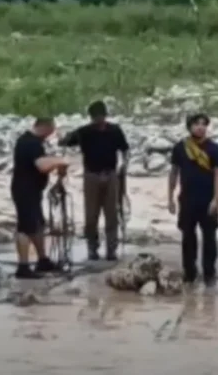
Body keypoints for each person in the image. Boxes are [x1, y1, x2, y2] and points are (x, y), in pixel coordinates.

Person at [59, 101, 130, 261]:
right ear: (91, 118)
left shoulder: (115, 130)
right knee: (91, 215)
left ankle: (111, 249)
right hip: (91, 175)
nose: (98, 121)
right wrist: (64, 137)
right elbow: (64, 142)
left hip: (111, 174)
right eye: (95, 118)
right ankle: (92, 248)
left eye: (100, 117)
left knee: (112, 213)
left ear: (105, 116)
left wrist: (124, 166)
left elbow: (125, 149)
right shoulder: (84, 132)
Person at [167, 113, 218, 286]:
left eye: (203, 124)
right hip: (187, 199)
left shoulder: (213, 148)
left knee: (209, 238)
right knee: (188, 238)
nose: (200, 127)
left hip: (207, 199)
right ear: (189, 126)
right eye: (196, 124)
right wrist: (170, 197)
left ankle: (209, 272)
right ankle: (189, 272)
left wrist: (216, 199)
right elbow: (174, 173)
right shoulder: (180, 148)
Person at [11, 117, 69, 279]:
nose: (50, 136)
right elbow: (42, 166)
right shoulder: (30, 143)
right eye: (50, 131)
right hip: (25, 190)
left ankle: (42, 259)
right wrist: (59, 161)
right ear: (43, 127)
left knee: (37, 224)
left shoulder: (33, 142)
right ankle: (23, 266)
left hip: (33, 190)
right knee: (25, 227)